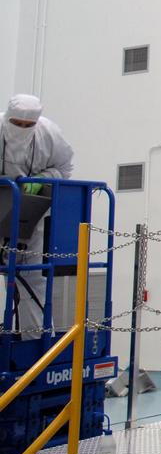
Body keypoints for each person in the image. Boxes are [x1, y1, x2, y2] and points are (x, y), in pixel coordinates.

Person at [1, 94, 75, 338]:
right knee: (9, 271)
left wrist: (40, 181)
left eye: (28, 125)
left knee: (34, 278)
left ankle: (35, 344)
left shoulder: (49, 134)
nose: (21, 129)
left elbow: (64, 169)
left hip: (36, 209)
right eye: (17, 124)